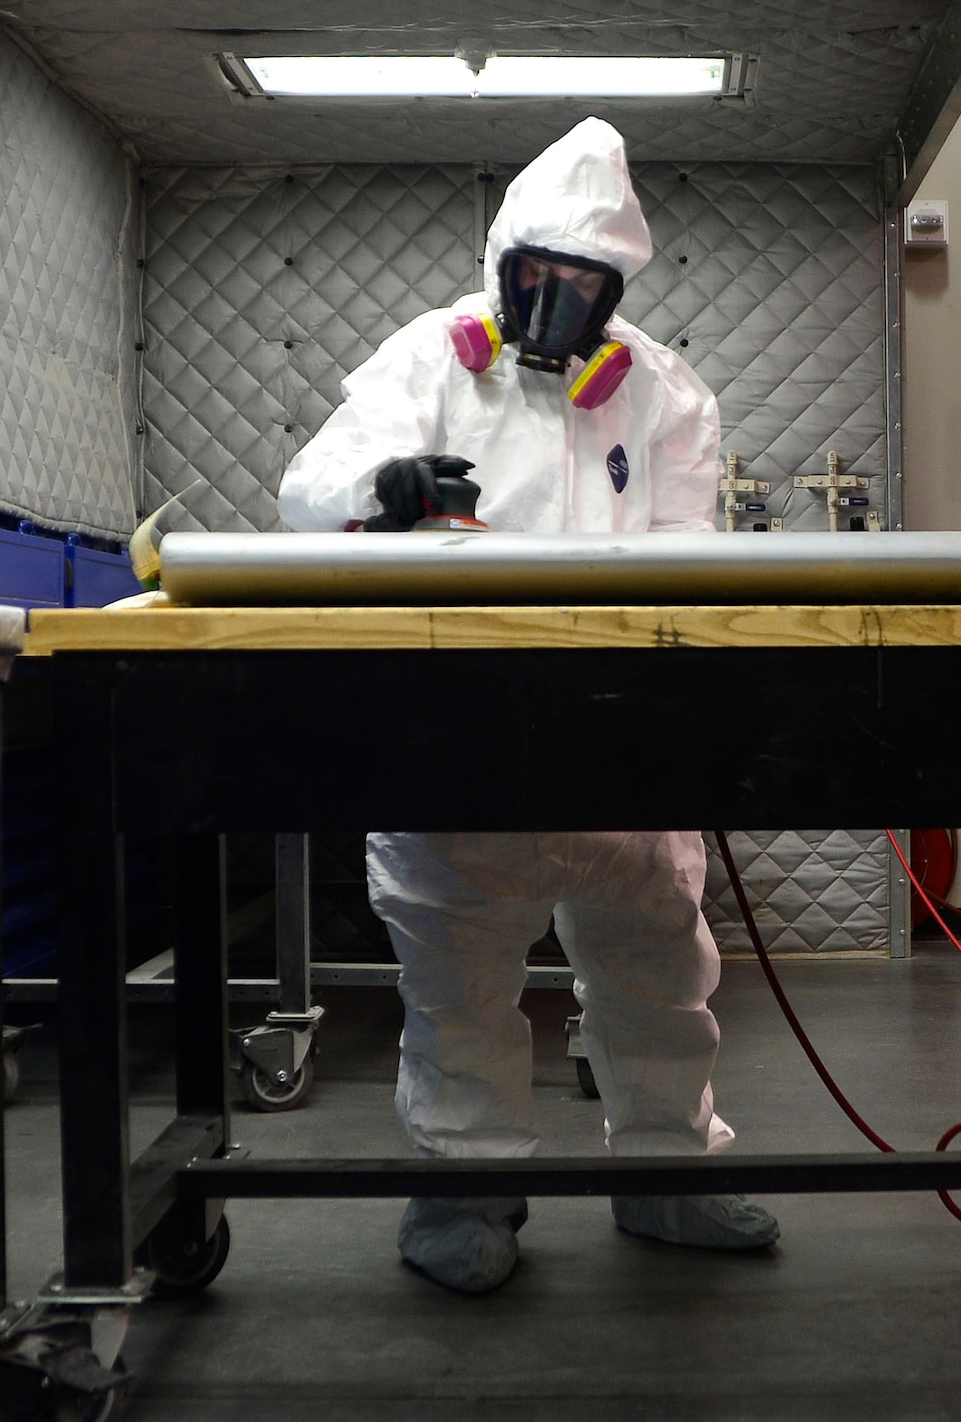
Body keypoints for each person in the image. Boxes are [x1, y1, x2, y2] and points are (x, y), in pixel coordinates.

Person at [278, 118, 778, 1293]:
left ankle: (666, 1177)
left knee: (659, 966)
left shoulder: (659, 393)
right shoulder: (429, 362)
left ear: (615, 294)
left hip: (618, 738)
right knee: (455, 978)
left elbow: (685, 555)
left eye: (582, 286)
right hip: (454, 731)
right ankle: (466, 1189)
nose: (554, 302)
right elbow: (307, 492)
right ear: (501, 268)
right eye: (535, 279)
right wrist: (381, 489)